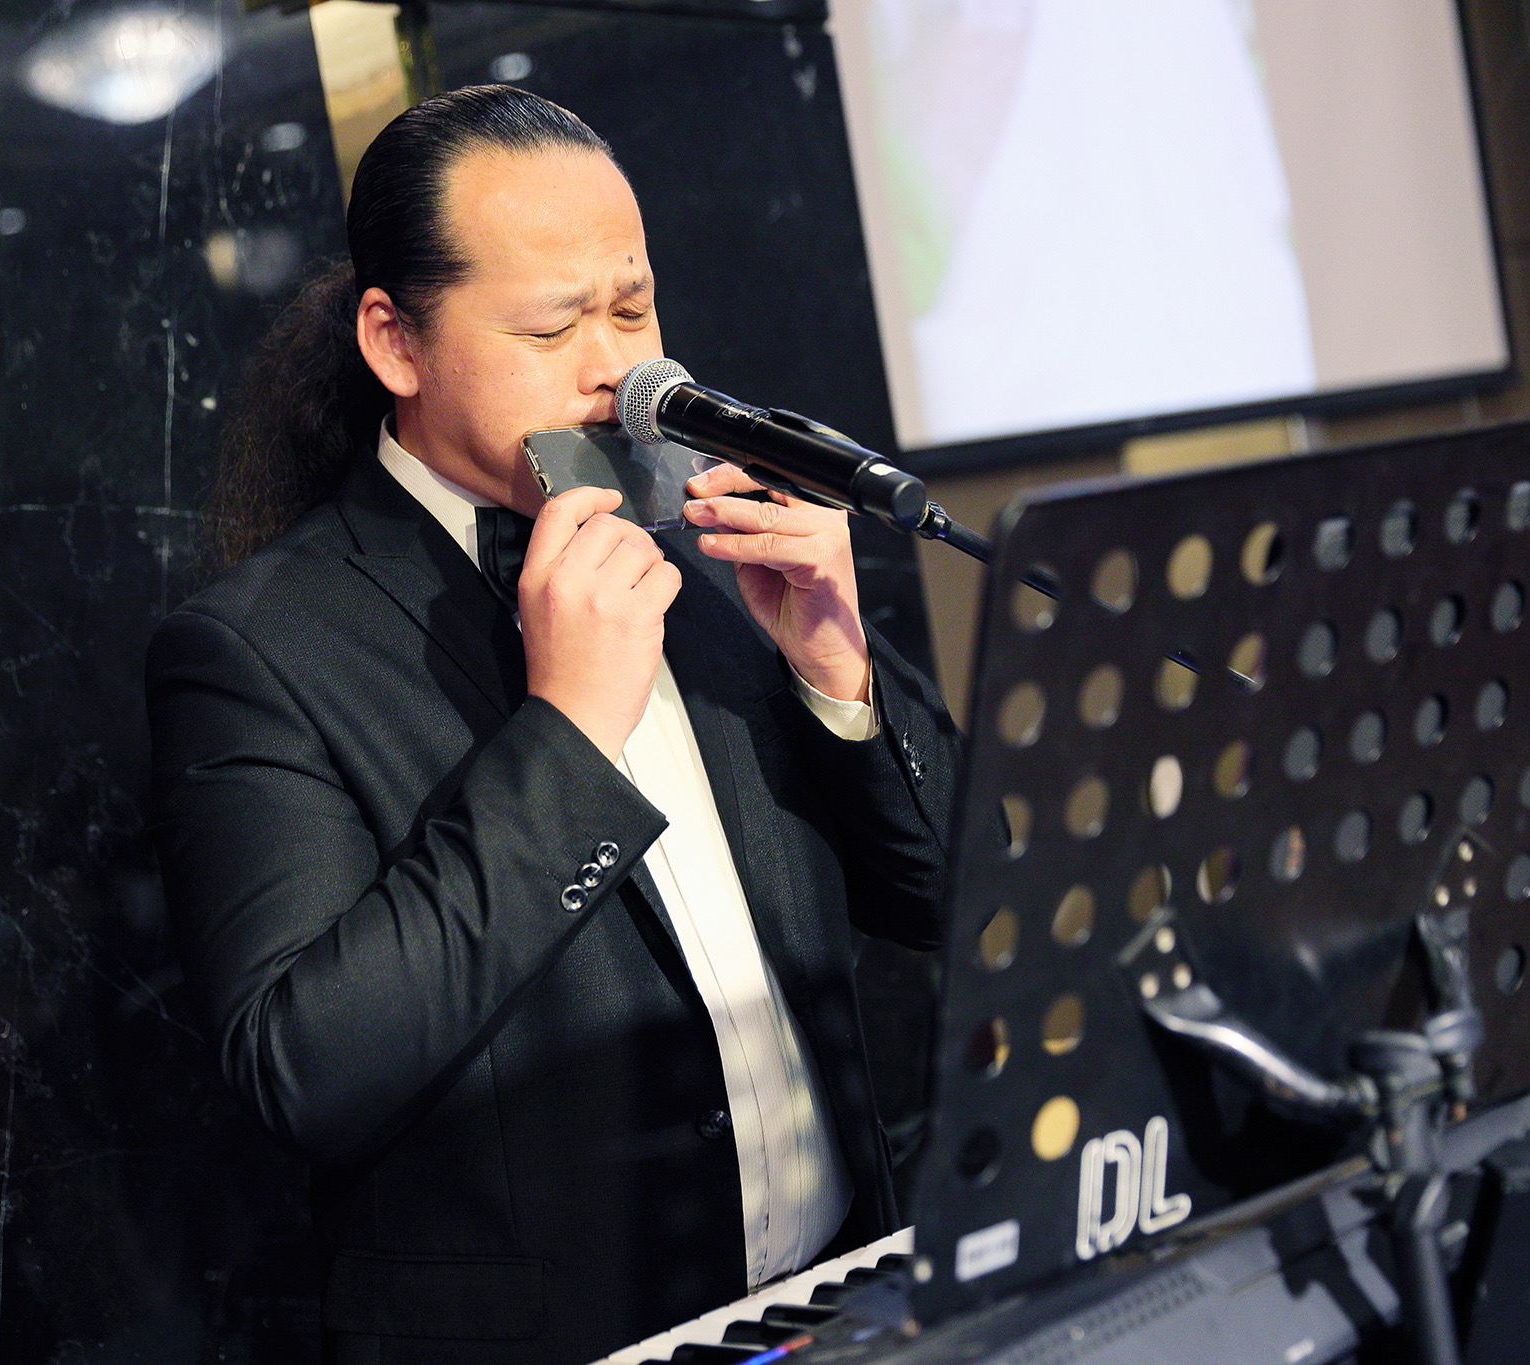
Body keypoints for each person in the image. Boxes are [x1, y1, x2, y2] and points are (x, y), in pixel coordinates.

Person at [146, 85, 959, 1365]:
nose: (614, 369)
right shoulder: (262, 648)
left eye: (631, 309)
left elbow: (955, 898)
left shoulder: (707, 545)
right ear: (394, 342)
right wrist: (567, 734)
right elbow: (305, 1071)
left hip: (836, 1300)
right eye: (548, 325)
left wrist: (834, 669)